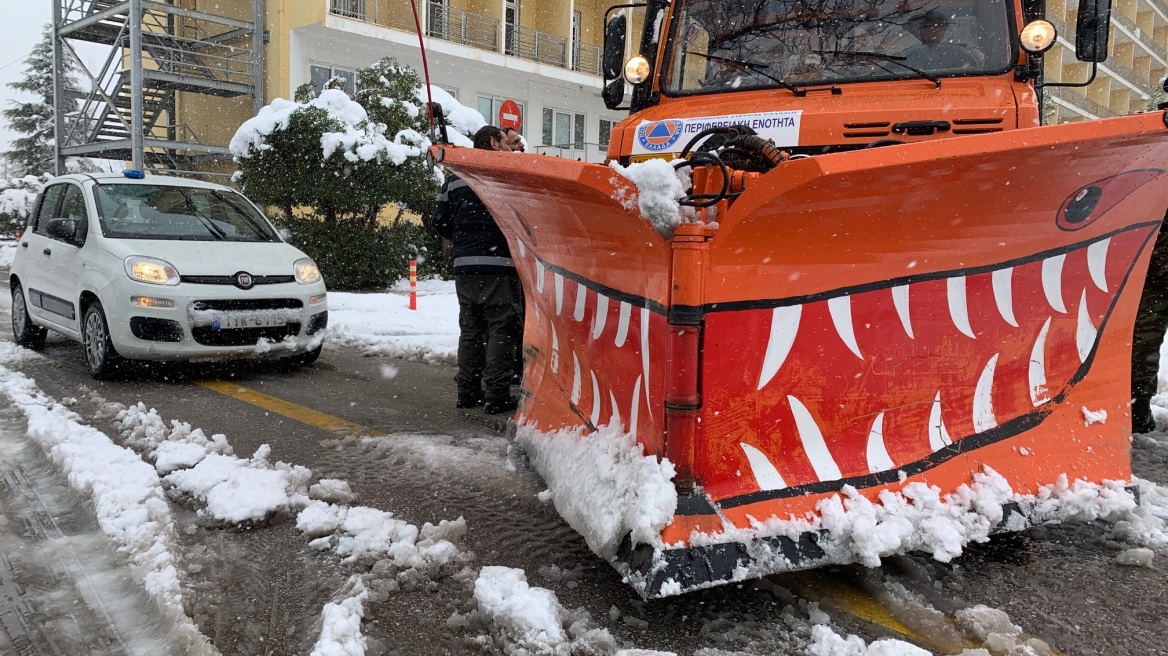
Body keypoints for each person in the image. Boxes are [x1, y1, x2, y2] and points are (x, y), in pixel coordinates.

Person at [431, 125, 523, 415]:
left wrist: (464, 239)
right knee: (501, 329)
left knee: (470, 330)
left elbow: (439, 222)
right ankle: (496, 395)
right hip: (499, 265)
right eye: (507, 143)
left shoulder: (455, 178)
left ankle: (467, 392)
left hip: (464, 266)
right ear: (494, 143)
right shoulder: (506, 175)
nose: (512, 149)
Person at [901, 9, 978, 71]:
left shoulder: (960, 55)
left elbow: (974, 78)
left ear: (944, 30)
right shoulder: (904, 57)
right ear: (920, 30)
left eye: (938, 27)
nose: (932, 31)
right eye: (926, 27)